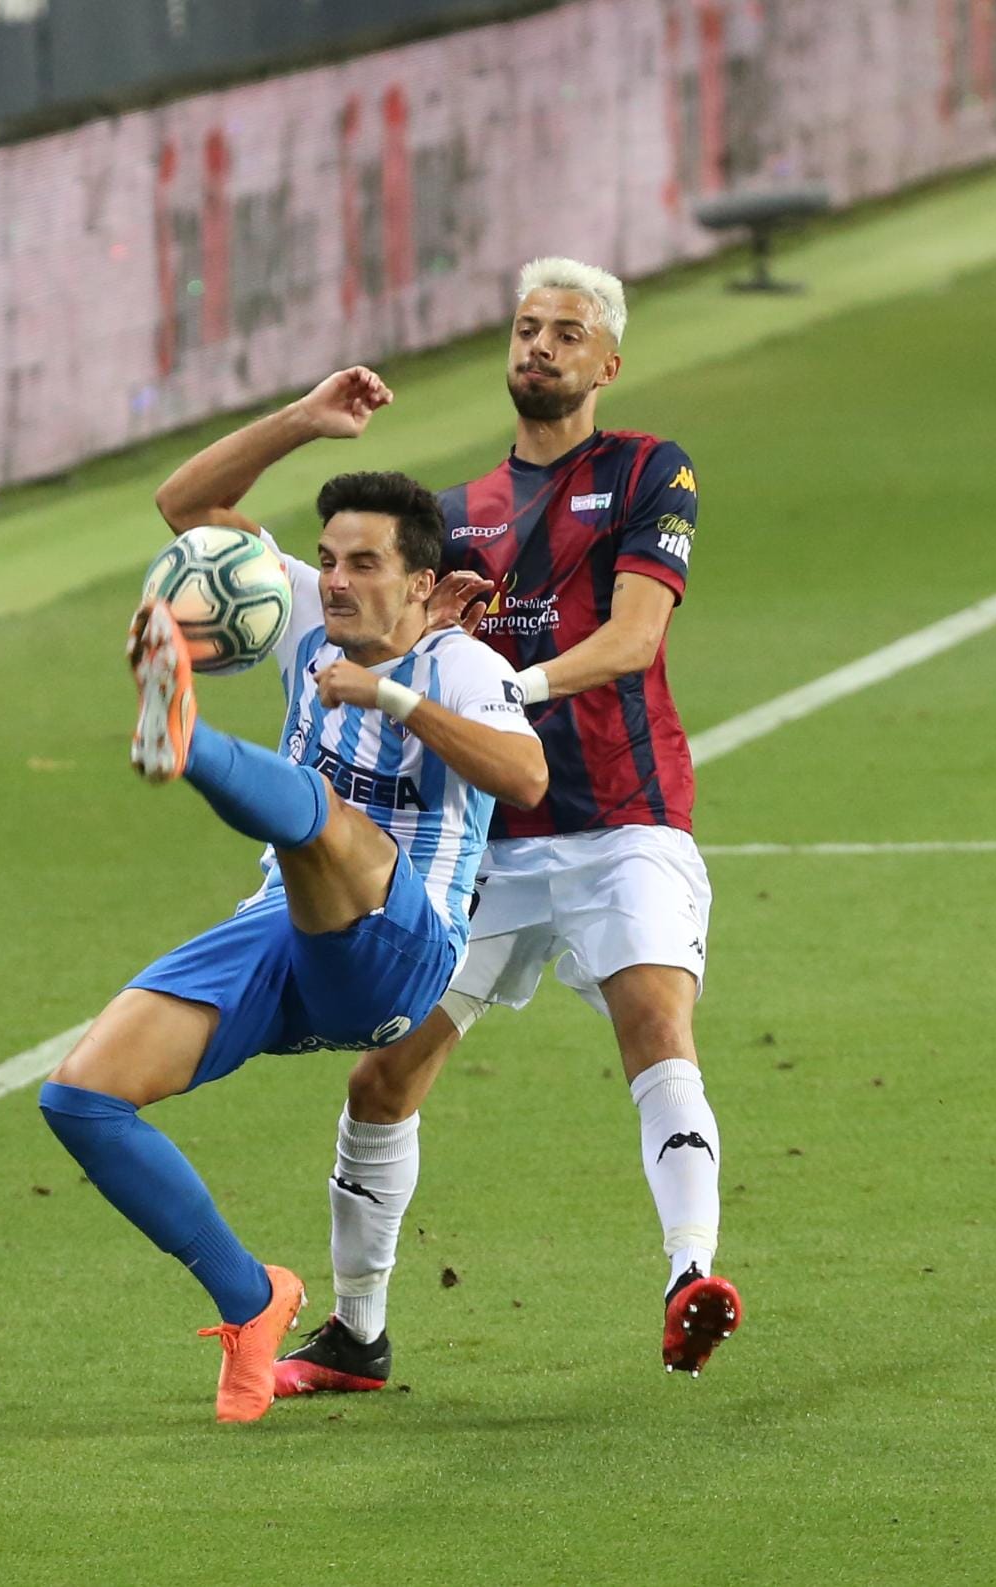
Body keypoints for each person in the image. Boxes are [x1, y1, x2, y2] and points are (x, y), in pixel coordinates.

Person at [161, 258, 737, 1395]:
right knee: (383, 1082)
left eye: (567, 333)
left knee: (655, 1026)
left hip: (623, 815)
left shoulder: (643, 471)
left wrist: (489, 690)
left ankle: (690, 1275)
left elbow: (631, 641)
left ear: (605, 362)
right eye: (526, 328)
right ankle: (359, 1336)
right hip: (483, 851)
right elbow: (194, 517)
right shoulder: (456, 520)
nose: (541, 347)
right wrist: (302, 425)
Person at [37, 458, 547, 1424]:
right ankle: (251, 1298)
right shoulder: (308, 614)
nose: (338, 579)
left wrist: (388, 698)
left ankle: (188, 744)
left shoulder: (467, 668)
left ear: (424, 585)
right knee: (82, 1098)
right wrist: (308, 418)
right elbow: (185, 509)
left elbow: (524, 777)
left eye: (364, 561)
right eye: (326, 559)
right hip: (281, 929)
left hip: (403, 950)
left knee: (317, 815)